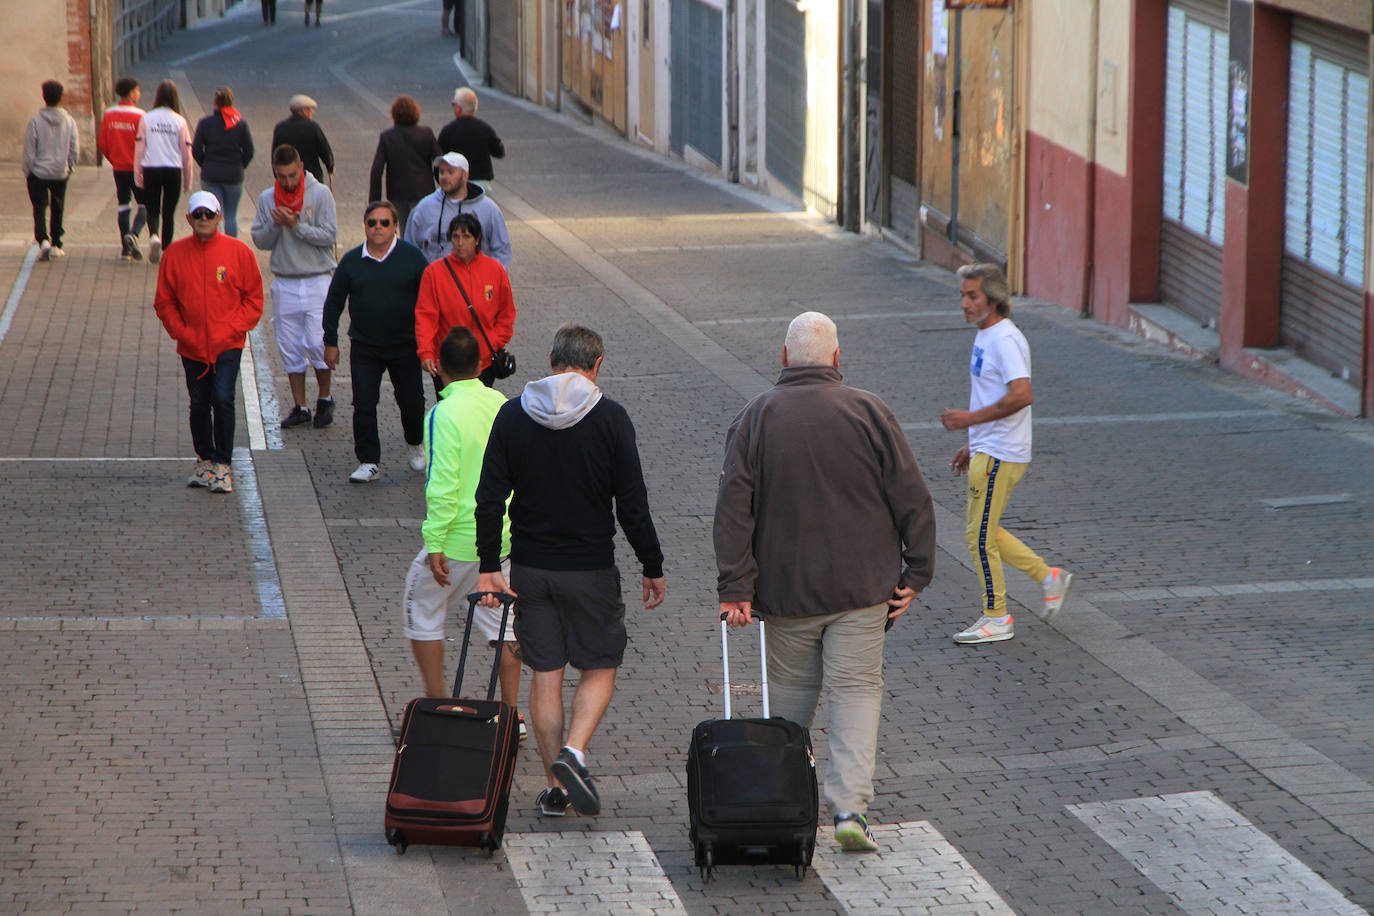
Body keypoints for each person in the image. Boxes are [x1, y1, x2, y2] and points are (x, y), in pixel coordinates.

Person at [714, 311, 936, 853]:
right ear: (837, 360)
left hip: (787, 592)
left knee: (789, 697)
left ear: (784, 357)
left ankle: (778, 795)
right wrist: (917, 572)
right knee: (857, 691)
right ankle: (850, 810)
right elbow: (913, 496)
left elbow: (733, 508)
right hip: (864, 589)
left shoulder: (756, 417)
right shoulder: (870, 411)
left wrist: (735, 587)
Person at [475, 324, 666, 819]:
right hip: (590, 568)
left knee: (546, 673)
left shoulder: (513, 414)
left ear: (552, 359)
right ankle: (574, 751)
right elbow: (632, 504)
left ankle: (553, 787)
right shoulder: (611, 419)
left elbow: (489, 497)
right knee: (600, 665)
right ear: (597, 364)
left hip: (531, 569)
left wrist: (489, 566)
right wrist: (652, 564)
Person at [941, 262, 1074, 645]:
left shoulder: (1004, 339)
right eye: (963, 296)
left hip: (1001, 455)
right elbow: (993, 395)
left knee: (978, 538)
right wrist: (974, 439)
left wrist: (969, 419)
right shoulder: (986, 335)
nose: (964, 304)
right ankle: (1049, 578)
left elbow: (1021, 394)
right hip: (990, 449)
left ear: (993, 299)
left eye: (972, 296)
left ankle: (997, 616)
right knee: (986, 531)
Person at [402, 326, 522, 723]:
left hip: (456, 542)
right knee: (502, 624)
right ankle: (511, 715)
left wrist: (434, 541)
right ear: (480, 364)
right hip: (501, 538)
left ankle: (438, 706)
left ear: (439, 370)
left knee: (422, 610)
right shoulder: (502, 403)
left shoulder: (442, 413)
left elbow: (442, 484)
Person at [153, 191, 264, 495]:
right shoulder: (175, 254)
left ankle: (223, 465)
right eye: (198, 215)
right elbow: (165, 301)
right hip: (192, 347)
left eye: (209, 215)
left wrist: (233, 329)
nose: (203, 220)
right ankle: (204, 459)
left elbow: (253, 299)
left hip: (227, 344)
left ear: (219, 217)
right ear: (188, 219)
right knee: (199, 404)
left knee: (223, 398)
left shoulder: (239, 253)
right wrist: (182, 332)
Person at [322, 201, 430, 483]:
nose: (378, 228)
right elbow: (334, 302)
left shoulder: (413, 257)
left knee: (411, 401)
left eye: (384, 222)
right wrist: (330, 341)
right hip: (365, 345)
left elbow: (431, 300)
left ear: (395, 226)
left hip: (405, 344)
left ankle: (416, 442)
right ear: (365, 227)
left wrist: (430, 342)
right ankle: (368, 461)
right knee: (364, 402)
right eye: (372, 223)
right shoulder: (351, 260)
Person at [251, 145, 338, 430]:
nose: (288, 182)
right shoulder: (267, 199)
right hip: (285, 279)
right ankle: (300, 406)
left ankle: (324, 398)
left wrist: (296, 224)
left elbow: (328, 236)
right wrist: (277, 226)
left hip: (317, 277)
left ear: (301, 167)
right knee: (290, 346)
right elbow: (261, 241)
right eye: (282, 176)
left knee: (316, 341)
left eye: (292, 175)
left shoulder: (320, 194)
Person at [414, 213, 514, 391]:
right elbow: (426, 317)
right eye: (456, 237)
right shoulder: (434, 273)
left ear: (477, 240)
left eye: (466, 236)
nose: (460, 242)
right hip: (446, 361)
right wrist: (426, 352)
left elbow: (506, 314)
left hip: (483, 362)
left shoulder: (495, 270)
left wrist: (493, 342)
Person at [404, 152, 510, 268]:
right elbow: (410, 248)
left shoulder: (489, 209)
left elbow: (501, 249)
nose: (444, 177)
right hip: (436, 282)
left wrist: (492, 278)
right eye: (441, 172)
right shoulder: (423, 208)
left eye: (450, 172)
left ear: (465, 176)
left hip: (474, 282)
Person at [134, 79, 192, 263]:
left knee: (153, 207)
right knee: (168, 211)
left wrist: (138, 174)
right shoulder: (180, 121)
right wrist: (187, 179)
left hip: (152, 167)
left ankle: (154, 236)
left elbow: (139, 149)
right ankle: (167, 249)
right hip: (173, 169)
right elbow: (186, 152)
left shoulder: (147, 118)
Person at [22, 79, 79, 262]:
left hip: (39, 172)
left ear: (44, 97)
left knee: (39, 207)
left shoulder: (35, 122)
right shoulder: (69, 121)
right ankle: (56, 244)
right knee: (58, 206)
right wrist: (70, 166)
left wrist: (28, 170)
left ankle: (43, 240)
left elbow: (30, 149)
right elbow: (74, 148)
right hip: (60, 171)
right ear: (61, 97)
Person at [368, 95, 441, 233]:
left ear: (394, 114)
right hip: (423, 190)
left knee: (405, 229)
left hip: (398, 193)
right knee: (423, 228)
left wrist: (374, 202)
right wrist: (442, 185)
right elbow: (438, 161)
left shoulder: (387, 136)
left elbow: (377, 170)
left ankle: (407, 252)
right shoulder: (426, 133)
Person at [97, 76, 149, 262]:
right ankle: (134, 235)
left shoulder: (109, 114)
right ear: (131, 93)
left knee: (123, 206)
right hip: (137, 168)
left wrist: (114, 159)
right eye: (137, 90)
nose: (139, 93)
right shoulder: (141, 116)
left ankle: (125, 250)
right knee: (146, 205)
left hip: (119, 168)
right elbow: (146, 144)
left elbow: (103, 143)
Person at [192, 86, 254, 238]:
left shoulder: (205, 123)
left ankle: (217, 247)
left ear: (215, 103)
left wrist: (205, 164)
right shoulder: (241, 124)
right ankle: (232, 248)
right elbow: (249, 150)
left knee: (215, 213)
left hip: (211, 175)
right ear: (231, 102)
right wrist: (240, 165)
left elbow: (196, 149)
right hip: (234, 175)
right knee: (231, 215)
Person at [437, 87, 504, 182]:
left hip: (456, 182)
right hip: (481, 181)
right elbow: (499, 152)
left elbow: (439, 157)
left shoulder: (448, 131)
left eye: (454, 104)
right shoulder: (485, 129)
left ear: (459, 108)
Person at [271, 95, 334, 184]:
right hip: (312, 177)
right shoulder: (312, 127)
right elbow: (325, 151)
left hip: (288, 179)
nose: (312, 112)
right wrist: (330, 167)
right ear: (303, 111)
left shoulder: (280, 128)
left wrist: (278, 174)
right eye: (310, 109)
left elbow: (275, 154)